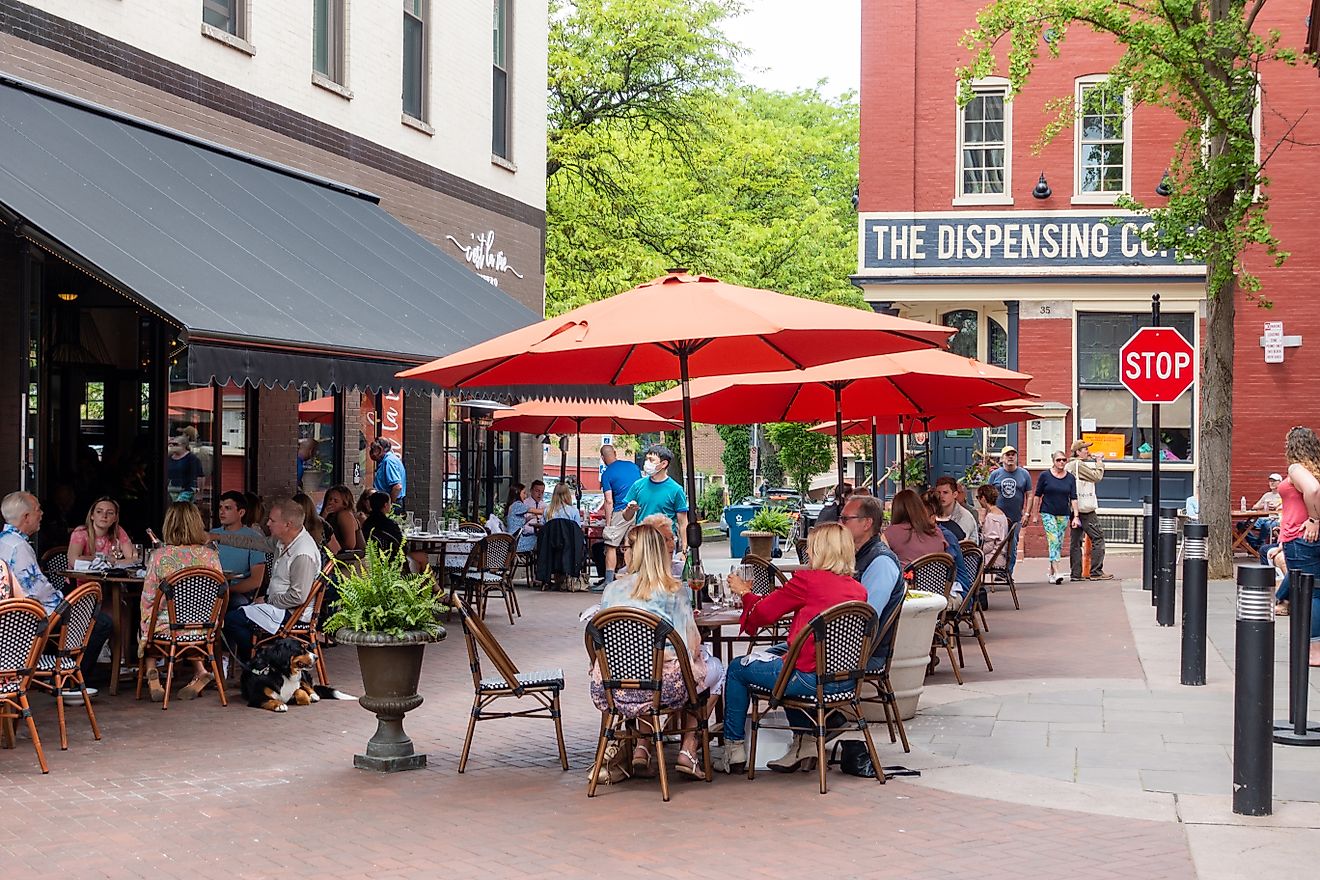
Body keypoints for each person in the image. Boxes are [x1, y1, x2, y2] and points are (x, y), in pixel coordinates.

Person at [719, 522, 868, 772]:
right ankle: (805, 744)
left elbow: (765, 614)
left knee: (737, 668)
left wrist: (745, 593)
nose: (807, 553)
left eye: (811, 547)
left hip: (808, 679)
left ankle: (733, 748)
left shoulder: (807, 581)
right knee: (780, 654)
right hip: (845, 679)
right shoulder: (858, 590)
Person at [589, 523, 722, 780]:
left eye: (626, 548)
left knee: (651, 670)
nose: (623, 552)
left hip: (612, 687)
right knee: (716, 669)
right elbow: (688, 645)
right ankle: (689, 747)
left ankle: (642, 745)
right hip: (662, 688)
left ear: (635, 553)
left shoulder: (611, 590)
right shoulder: (673, 591)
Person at [0, 492, 113, 694]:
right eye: (37, 510)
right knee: (101, 623)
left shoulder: (4, 540)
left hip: (12, 614)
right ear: (26, 517)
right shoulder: (19, 546)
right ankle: (71, 679)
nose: (41, 514)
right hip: (27, 615)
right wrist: (64, 601)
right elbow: (38, 590)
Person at [221, 498, 322, 665]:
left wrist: (267, 600)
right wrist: (218, 537)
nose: (268, 523)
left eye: (272, 520)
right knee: (237, 615)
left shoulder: (303, 554)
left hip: (292, 614)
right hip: (280, 607)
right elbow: (253, 543)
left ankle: (260, 662)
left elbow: (298, 597)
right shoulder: (284, 541)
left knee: (231, 620)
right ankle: (259, 661)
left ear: (288, 525)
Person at [140, 501, 224, 701]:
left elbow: (149, 598)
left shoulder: (160, 557)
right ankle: (201, 670)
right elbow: (218, 594)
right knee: (180, 623)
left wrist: (146, 622)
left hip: (170, 628)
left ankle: (152, 672)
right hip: (205, 628)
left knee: (147, 620)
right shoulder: (211, 556)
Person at [1277, 426, 1320, 666]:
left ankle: (1313, 649)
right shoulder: (1316, 468)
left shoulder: (1296, 468)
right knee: (1315, 591)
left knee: (1310, 593)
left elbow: (1313, 489)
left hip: (1301, 538)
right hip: (1309, 540)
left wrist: (1314, 520)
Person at [620, 445, 689, 552]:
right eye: (647, 459)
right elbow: (626, 517)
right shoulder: (638, 485)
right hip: (642, 539)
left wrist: (684, 548)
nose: (647, 463)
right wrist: (630, 509)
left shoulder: (676, 490)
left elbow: (683, 522)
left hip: (664, 541)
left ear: (664, 464)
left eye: (651, 460)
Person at [210, 491, 267, 610]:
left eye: (228, 508)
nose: (222, 512)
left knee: (234, 603)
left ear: (241, 512)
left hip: (238, 592)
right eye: (220, 508)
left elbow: (256, 581)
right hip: (210, 589)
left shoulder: (255, 539)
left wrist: (227, 591)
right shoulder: (212, 535)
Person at [1030, 451, 1079, 585]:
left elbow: (1073, 497)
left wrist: (1076, 516)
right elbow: (1037, 495)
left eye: (1064, 460)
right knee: (1053, 541)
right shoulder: (1045, 476)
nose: (1061, 462)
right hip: (1047, 512)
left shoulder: (1070, 478)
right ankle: (1057, 572)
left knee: (1059, 541)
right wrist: (1034, 514)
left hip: (1063, 513)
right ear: (1053, 461)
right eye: (1058, 460)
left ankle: (1051, 573)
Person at [1065, 439, 1111, 581]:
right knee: (1098, 537)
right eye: (1085, 449)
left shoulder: (1069, 465)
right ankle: (1096, 572)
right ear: (1078, 452)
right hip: (1085, 509)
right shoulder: (1078, 464)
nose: (1087, 451)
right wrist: (1099, 462)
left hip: (1073, 509)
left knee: (1075, 542)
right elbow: (1097, 477)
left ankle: (1076, 574)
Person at [599, 444, 643, 588]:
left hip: (620, 511)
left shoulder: (607, 474)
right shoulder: (633, 466)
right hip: (637, 509)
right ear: (615, 453)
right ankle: (630, 577)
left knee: (611, 545)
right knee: (629, 544)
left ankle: (609, 581)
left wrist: (608, 522)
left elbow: (608, 500)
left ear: (602, 458)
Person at [986, 446, 1032, 572]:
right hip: (997, 517)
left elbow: (1029, 494)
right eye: (1007, 455)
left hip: (1016, 516)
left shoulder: (1024, 474)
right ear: (1002, 458)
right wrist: (987, 513)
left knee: (1012, 544)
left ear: (1016, 457)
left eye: (1013, 454)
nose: (1010, 457)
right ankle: (996, 568)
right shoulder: (995, 474)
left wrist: (1027, 513)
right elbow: (987, 494)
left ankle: (1007, 571)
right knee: (996, 544)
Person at [883, 488, 948, 567]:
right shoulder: (937, 531)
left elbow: (879, 560)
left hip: (907, 578)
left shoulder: (891, 533)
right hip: (937, 578)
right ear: (920, 507)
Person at [67, 496, 138, 564]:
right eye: (99, 511)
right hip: (82, 576)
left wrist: (115, 562)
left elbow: (132, 558)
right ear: (92, 515)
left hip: (108, 576)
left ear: (115, 518)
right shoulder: (80, 532)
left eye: (110, 513)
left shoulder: (117, 530)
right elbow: (73, 560)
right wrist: (105, 559)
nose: (104, 516)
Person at [1239, 473, 1285, 551]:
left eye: (1274, 481)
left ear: (1280, 482)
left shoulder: (1283, 495)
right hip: (1261, 519)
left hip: (1275, 519)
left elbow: (1287, 507)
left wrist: (1277, 506)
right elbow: (1254, 507)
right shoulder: (1267, 495)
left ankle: (1260, 545)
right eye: (1270, 481)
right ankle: (1256, 546)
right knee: (1241, 525)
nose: (1271, 483)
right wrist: (1264, 504)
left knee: (1266, 525)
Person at [321, 485, 365, 557]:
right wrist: (324, 515)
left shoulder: (344, 514)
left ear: (344, 504)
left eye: (336, 501)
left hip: (349, 560)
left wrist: (333, 547)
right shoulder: (329, 515)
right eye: (329, 499)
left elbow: (350, 545)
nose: (331, 502)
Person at [932, 476, 978, 543]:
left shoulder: (964, 516)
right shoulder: (933, 512)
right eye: (938, 493)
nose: (941, 496)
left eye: (945, 492)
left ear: (955, 494)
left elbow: (961, 543)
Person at [368, 438, 407, 513]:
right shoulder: (388, 460)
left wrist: (390, 505)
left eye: (374, 450)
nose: (372, 453)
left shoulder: (389, 461)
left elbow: (397, 487)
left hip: (388, 504)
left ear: (380, 450)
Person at [977, 484, 1009, 566]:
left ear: (983, 498)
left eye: (978, 497)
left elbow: (990, 545)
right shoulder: (1001, 514)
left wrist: (976, 550)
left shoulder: (991, 517)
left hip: (993, 558)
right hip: (1000, 555)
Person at [167, 434, 204, 502]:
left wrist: (200, 493)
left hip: (186, 490)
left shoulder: (191, 458)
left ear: (183, 446)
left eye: (175, 444)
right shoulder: (169, 458)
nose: (172, 446)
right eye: (170, 444)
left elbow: (200, 476)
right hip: (171, 490)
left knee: (180, 508)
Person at [505, 483, 538, 554]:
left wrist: (529, 518)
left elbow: (516, 523)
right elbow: (535, 510)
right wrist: (551, 510)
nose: (525, 496)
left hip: (513, 540)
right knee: (539, 538)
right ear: (517, 493)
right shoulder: (517, 505)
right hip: (517, 542)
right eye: (524, 493)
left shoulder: (512, 505)